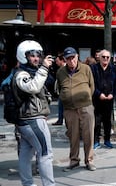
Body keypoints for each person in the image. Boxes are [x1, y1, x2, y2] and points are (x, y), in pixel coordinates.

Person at [13, 40, 55, 186]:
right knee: (45, 154)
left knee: (26, 153)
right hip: (33, 120)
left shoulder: (26, 72)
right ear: (23, 56)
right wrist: (44, 68)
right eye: (32, 55)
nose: (36, 58)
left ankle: (28, 183)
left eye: (38, 55)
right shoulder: (21, 74)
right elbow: (33, 87)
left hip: (25, 121)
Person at [56, 47, 96, 172]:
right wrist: (65, 97)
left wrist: (85, 97)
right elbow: (59, 87)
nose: (71, 60)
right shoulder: (60, 72)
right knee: (73, 136)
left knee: (88, 135)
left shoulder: (86, 68)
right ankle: (74, 161)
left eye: (73, 57)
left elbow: (92, 86)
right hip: (69, 109)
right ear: (64, 60)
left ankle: (89, 161)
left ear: (77, 56)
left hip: (85, 107)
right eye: (68, 59)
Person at [91, 49, 116, 149]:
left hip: (109, 99)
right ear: (99, 57)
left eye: (107, 57)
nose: (105, 59)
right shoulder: (93, 69)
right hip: (97, 99)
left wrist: (113, 94)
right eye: (103, 57)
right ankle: (96, 141)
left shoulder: (114, 69)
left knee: (107, 120)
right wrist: (99, 94)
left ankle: (107, 140)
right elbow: (91, 84)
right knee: (97, 121)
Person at [52, 53, 66, 125]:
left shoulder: (64, 69)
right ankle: (60, 119)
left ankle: (61, 119)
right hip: (61, 91)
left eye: (57, 61)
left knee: (62, 106)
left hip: (64, 91)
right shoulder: (60, 69)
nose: (56, 63)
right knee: (60, 106)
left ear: (62, 60)